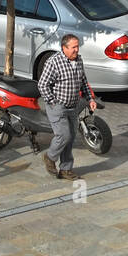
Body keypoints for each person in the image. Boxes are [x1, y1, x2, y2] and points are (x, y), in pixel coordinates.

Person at [37, 33, 98, 181]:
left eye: (78, 46)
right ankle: (49, 157)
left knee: (70, 138)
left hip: (73, 106)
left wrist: (90, 99)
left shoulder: (78, 60)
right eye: (73, 47)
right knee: (63, 135)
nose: (77, 50)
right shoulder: (54, 62)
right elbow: (42, 84)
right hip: (58, 106)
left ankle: (66, 169)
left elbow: (83, 81)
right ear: (64, 48)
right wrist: (52, 101)